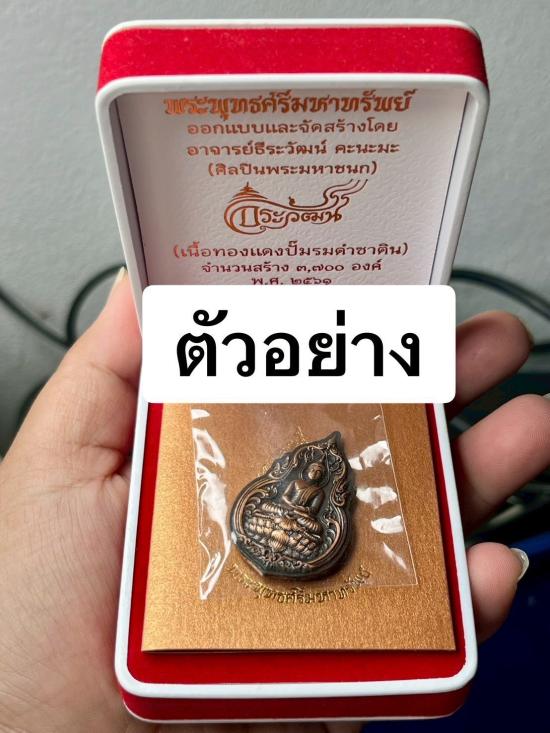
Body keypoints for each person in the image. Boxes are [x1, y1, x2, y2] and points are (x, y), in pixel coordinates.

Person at [0, 269, 548, 733]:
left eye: (320, 470)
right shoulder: (253, 451)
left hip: (303, 523)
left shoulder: (332, 480)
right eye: (309, 467)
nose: (313, 471)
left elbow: (316, 510)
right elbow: (273, 498)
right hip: (266, 523)